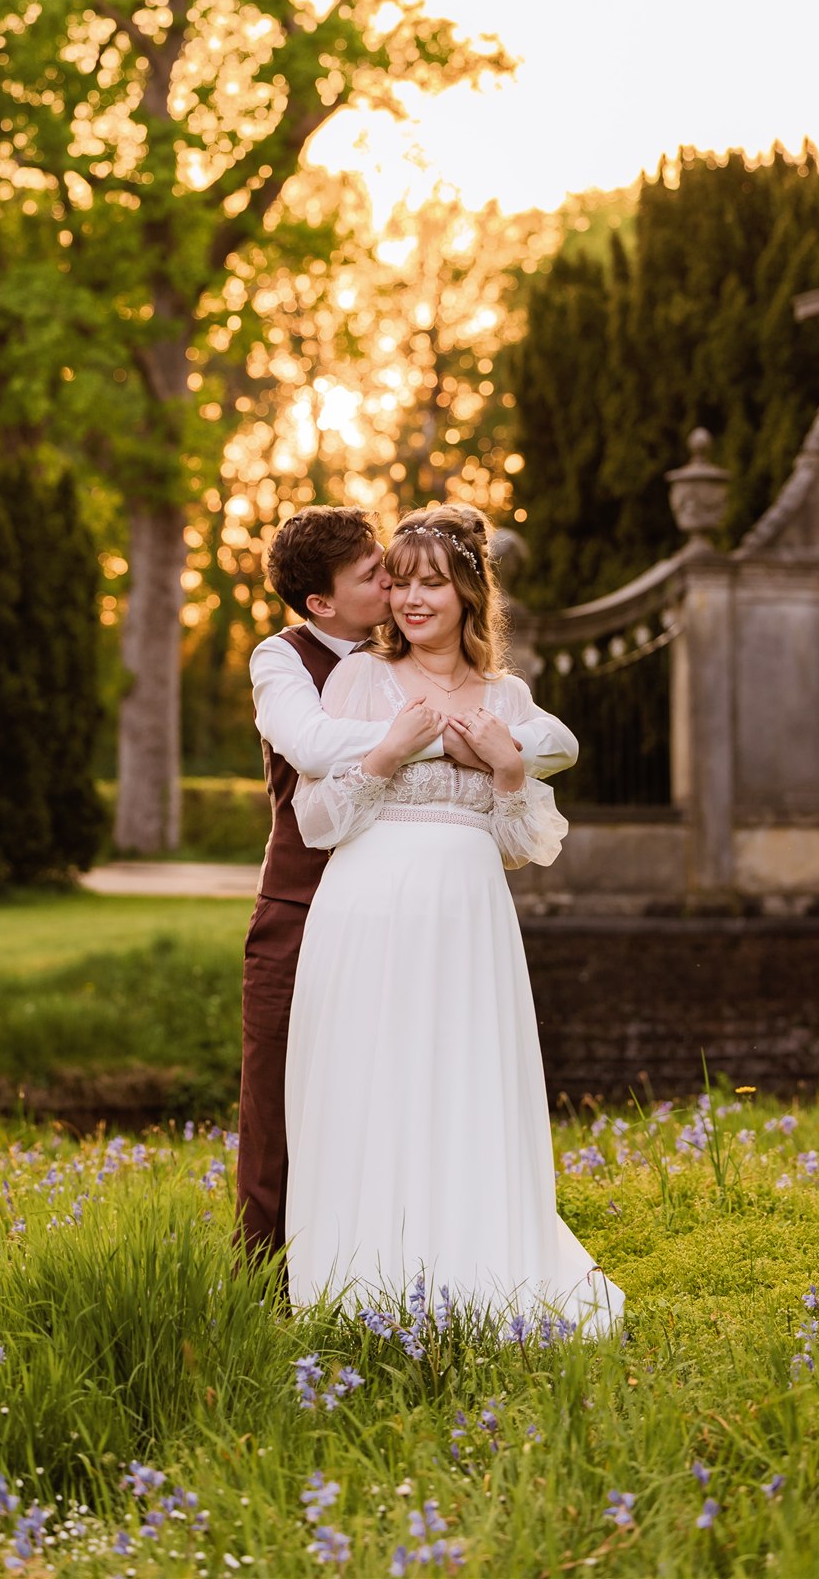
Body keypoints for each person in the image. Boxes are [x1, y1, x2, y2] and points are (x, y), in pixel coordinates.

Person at [285, 502, 624, 1330]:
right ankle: (358, 1283)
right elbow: (318, 822)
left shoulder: (507, 698)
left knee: (464, 1080)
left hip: (469, 916)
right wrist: (389, 751)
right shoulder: (361, 679)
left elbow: (519, 844)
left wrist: (508, 770)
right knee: (373, 1083)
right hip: (366, 910)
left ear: (469, 593)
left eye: (430, 584)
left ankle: (477, 1280)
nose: (409, 600)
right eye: (398, 583)